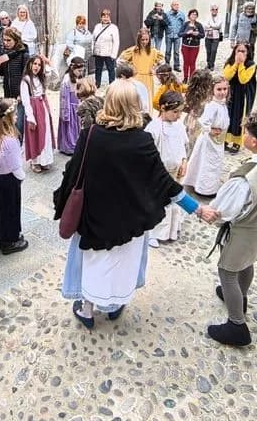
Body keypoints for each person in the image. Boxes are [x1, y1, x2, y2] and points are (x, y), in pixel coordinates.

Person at [54, 80, 214, 328]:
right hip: (130, 220)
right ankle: (115, 305)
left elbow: (73, 172)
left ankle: (87, 311)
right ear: (134, 106)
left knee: (93, 265)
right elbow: (166, 183)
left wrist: (61, 199)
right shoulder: (142, 141)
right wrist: (197, 209)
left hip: (95, 218)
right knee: (120, 267)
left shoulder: (91, 135)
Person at [203, 110, 257, 346]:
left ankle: (236, 324)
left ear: (252, 141)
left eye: (245, 132)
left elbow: (223, 211)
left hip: (244, 230)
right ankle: (240, 298)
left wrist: (210, 214)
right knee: (247, 262)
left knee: (228, 271)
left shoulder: (245, 176)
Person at [0, 98, 29, 254]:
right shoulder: (9, 140)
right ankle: (9, 242)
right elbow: (16, 166)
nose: (17, 116)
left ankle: (1, 236)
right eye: (15, 114)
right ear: (6, 118)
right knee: (10, 210)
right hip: (9, 180)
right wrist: (21, 178)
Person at [145, 91, 188, 248]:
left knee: (174, 200)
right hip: (160, 174)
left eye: (180, 112)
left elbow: (182, 146)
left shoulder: (179, 126)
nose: (177, 115)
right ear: (163, 108)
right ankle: (153, 233)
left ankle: (172, 229)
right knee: (158, 202)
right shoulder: (154, 128)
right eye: (174, 112)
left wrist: (184, 162)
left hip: (175, 172)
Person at [184, 75, 230, 197]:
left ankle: (208, 185)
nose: (222, 92)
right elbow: (203, 121)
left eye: (225, 89)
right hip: (210, 141)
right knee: (208, 163)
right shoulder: (212, 105)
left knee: (215, 162)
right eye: (219, 89)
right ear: (212, 90)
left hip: (218, 140)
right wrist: (209, 130)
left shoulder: (222, 104)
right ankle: (205, 188)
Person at [21, 54, 58, 173]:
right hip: (34, 109)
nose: (36, 67)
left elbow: (55, 76)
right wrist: (30, 117)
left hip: (43, 107)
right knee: (35, 135)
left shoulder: (41, 78)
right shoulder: (26, 80)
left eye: (39, 64)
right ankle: (35, 161)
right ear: (30, 64)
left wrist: (48, 63)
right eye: (34, 64)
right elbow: (26, 101)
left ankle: (45, 160)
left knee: (45, 133)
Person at [0, 27, 30, 137]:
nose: (6, 43)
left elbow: (26, 76)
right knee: (9, 120)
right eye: (4, 40)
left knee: (19, 123)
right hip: (7, 92)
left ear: (16, 40)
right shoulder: (5, 54)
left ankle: (19, 146)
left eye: (9, 40)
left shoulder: (24, 55)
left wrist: (21, 93)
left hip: (19, 93)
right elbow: (2, 73)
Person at [223, 43, 257, 154]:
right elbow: (227, 76)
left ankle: (237, 142)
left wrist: (241, 64)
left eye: (243, 51)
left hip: (244, 94)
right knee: (228, 114)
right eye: (239, 51)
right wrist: (235, 64)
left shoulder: (251, 65)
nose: (240, 53)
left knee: (240, 116)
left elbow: (243, 79)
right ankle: (226, 139)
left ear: (248, 53)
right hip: (231, 92)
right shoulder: (229, 62)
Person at [118, 28, 163, 105]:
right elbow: (120, 61)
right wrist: (130, 69)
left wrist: (155, 69)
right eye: (142, 40)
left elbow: (162, 62)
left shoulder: (153, 52)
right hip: (136, 78)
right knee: (136, 101)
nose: (144, 42)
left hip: (148, 79)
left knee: (147, 101)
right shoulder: (133, 51)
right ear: (139, 39)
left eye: (146, 39)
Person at [182, 69, 214, 156]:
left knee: (189, 147)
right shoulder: (209, 98)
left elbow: (184, 107)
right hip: (200, 125)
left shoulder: (191, 93)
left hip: (190, 122)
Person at [58, 57, 86, 155]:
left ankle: (76, 145)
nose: (80, 73)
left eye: (82, 71)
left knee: (76, 127)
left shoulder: (78, 78)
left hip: (77, 105)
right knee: (69, 127)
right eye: (79, 70)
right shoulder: (66, 79)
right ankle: (68, 147)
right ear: (72, 68)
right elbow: (64, 98)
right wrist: (66, 113)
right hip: (69, 107)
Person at [92, 8, 119, 88]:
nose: (105, 18)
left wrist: (114, 54)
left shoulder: (113, 28)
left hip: (108, 53)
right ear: (101, 17)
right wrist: (93, 49)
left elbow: (116, 42)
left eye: (107, 17)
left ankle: (112, 85)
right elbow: (93, 39)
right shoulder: (97, 26)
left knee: (111, 69)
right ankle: (97, 84)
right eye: (104, 16)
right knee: (98, 69)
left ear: (109, 18)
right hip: (98, 52)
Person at [180, 8, 205, 82]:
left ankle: (192, 78)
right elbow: (179, 34)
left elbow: (203, 35)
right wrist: (187, 33)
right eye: (192, 14)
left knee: (192, 62)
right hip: (185, 46)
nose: (194, 16)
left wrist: (197, 34)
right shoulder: (185, 24)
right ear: (189, 15)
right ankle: (185, 77)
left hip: (195, 47)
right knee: (186, 62)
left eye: (195, 14)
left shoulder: (199, 25)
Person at [164, 0, 185, 71]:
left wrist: (181, 33)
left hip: (177, 36)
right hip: (169, 35)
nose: (176, 6)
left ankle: (176, 66)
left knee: (176, 52)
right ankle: (167, 65)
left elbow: (183, 25)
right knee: (168, 51)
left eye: (177, 5)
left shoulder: (181, 14)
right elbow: (164, 24)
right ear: (171, 6)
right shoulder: (167, 14)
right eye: (175, 5)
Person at [203, 4, 224, 70]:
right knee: (208, 51)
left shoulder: (220, 17)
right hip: (208, 37)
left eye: (216, 9)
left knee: (214, 50)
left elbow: (218, 25)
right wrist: (213, 26)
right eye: (213, 9)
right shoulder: (207, 17)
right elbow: (205, 26)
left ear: (218, 10)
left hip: (216, 37)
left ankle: (212, 64)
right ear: (210, 10)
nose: (214, 10)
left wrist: (210, 26)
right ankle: (208, 64)